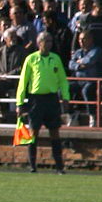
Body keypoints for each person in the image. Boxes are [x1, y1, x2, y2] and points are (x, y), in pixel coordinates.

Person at [16, 32, 70, 173]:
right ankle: (32, 165)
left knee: (55, 132)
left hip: (51, 99)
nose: (49, 44)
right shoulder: (31, 59)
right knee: (34, 132)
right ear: (39, 43)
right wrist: (19, 103)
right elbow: (23, 81)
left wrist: (65, 96)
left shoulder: (55, 59)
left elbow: (62, 79)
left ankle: (59, 166)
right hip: (36, 100)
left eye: (50, 41)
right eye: (46, 41)